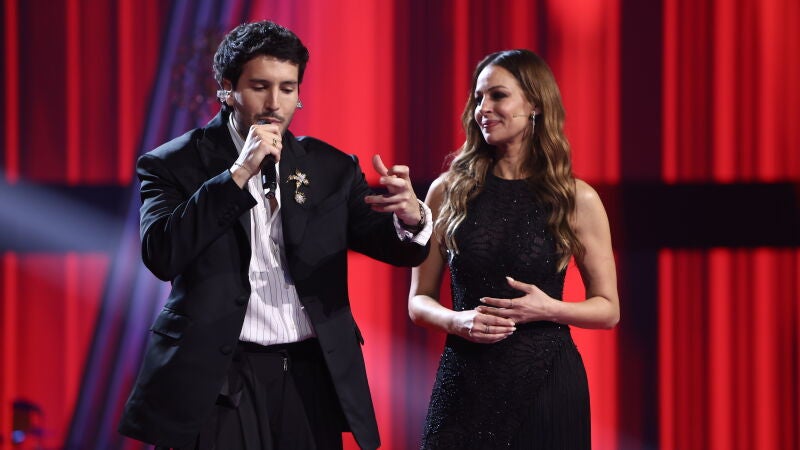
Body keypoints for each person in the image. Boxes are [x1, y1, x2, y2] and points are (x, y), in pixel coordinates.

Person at [118, 20, 432, 450]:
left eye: (287, 88)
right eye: (260, 87)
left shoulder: (331, 167)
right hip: (218, 376)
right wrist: (238, 174)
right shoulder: (172, 163)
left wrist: (411, 219)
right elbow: (162, 254)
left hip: (308, 372)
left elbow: (393, 248)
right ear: (227, 89)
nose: (274, 104)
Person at [408, 49, 619, 449]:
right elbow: (419, 301)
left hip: (546, 385)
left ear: (535, 104)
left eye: (498, 95)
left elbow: (608, 309)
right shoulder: (447, 191)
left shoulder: (575, 198)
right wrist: (457, 321)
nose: (483, 109)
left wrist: (549, 308)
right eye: (478, 98)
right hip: (465, 382)